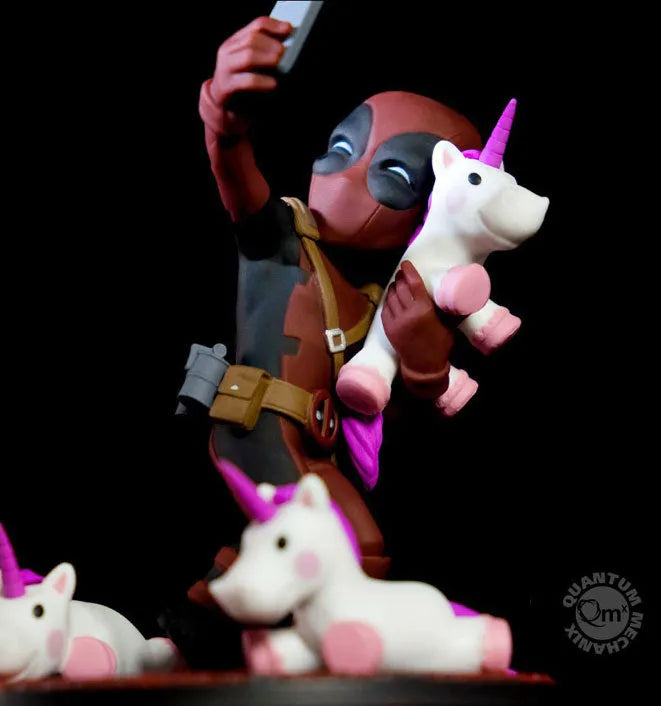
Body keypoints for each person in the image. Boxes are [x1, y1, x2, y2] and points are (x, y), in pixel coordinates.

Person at [162, 15, 483, 668]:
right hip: (255, 422)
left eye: (394, 175)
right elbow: (235, 172)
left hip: (309, 444)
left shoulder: (386, 298)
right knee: (349, 545)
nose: (347, 176)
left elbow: (393, 408)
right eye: (341, 148)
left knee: (332, 544)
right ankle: (302, 645)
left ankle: (193, 632)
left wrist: (424, 357)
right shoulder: (282, 238)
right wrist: (223, 117)